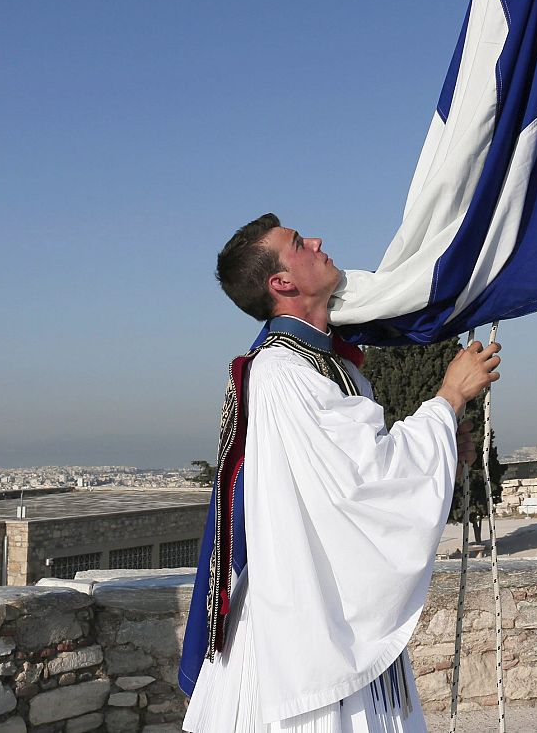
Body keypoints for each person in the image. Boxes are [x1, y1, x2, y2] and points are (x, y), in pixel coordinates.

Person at [180, 215, 500, 733]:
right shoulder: (284, 372)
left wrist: (445, 448)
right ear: (281, 283)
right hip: (303, 612)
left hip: (333, 599)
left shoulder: (329, 364)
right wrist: (448, 399)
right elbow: (361, 483)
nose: (318, 242)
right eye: (298, 244)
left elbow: (354, 469)